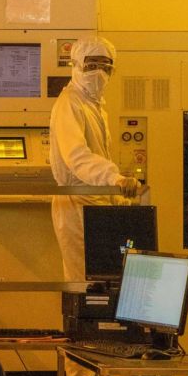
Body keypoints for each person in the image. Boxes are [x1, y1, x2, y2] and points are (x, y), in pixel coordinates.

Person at [49, 36, 141, 281]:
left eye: (105, 66)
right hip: (77, 203)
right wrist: (114, 178)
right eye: (91, 65)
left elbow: (99, 155)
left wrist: (116, 192)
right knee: (84, 283)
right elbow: (77, 157)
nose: (98, 72)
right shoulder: (70, 103)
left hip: (96, 203)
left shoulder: (95, 105)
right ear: (76, 64)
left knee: (103, 279)